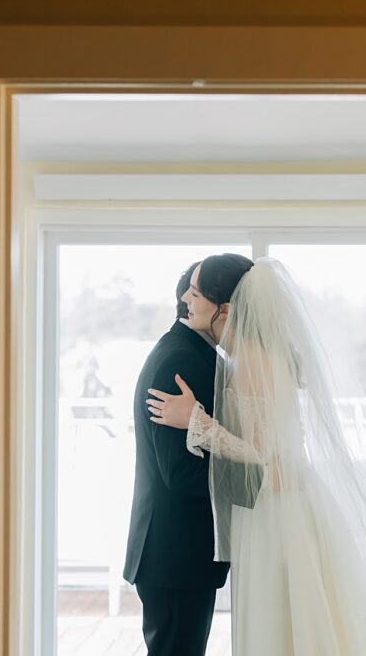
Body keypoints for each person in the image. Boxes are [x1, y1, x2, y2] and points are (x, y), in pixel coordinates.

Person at [147, 255, 366, 656]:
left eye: (196, 293)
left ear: (226, 309)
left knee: (286, 626)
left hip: (278, 513)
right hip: (277, 501)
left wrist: (198, 422)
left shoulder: (253, 361)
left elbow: (258, 454)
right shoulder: (246, 357)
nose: (185, 299)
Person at [123, 257, 250, 655]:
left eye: (195, 292)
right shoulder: (181, 361)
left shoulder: (197, 354)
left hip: (179, 555)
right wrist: (254, 483)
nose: (184, 299)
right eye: (190, 291)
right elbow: (178, 472)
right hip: (174, 555)